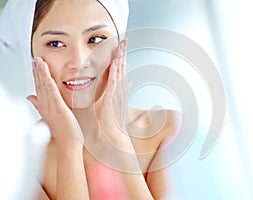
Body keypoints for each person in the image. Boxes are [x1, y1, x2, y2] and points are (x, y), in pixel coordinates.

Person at [0, 0, 181, 199]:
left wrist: (118, 140)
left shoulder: (170, 130)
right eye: (56, 43)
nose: (79, 62)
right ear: (31, 55)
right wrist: (69, 146)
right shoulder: (21, 159)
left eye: (95, 39)